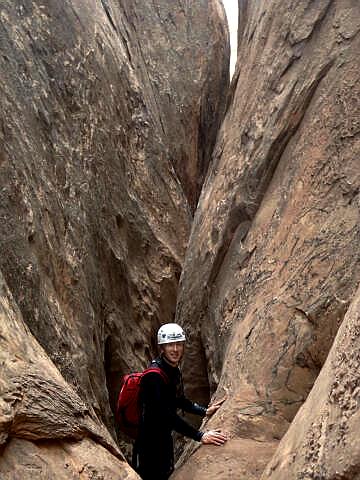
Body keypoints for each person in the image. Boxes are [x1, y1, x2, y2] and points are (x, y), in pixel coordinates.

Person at [132, 323, 227, 480]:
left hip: (163, 439)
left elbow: (178, 400)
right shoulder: (154, 376)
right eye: (170, 345)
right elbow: (167, 416)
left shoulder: (172, 369)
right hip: (150, 445)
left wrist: (203, 411)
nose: (175, 349)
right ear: (162, 347)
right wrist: (200, 436)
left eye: (178, 344)